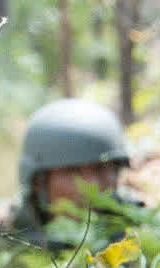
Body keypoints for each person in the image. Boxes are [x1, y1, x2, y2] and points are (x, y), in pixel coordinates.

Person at [7, 97, 132, 248]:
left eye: (100, 168)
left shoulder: (140, 230)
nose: (91, 184)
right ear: (37, 182)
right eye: (73, 170)